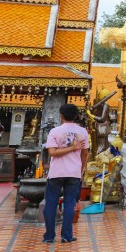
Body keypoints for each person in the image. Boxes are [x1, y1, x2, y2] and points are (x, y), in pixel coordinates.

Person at [42, 104, 90, 243]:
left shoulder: (55, 132)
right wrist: (81, 168)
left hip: (57, 172)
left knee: (51, 204)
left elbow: (52, 152)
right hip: (74, 172)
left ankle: (49, 236)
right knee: (69, 204)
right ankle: (66, 235)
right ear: (76, 116)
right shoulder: (83, 132)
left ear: (61, 116)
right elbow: (85, 153)